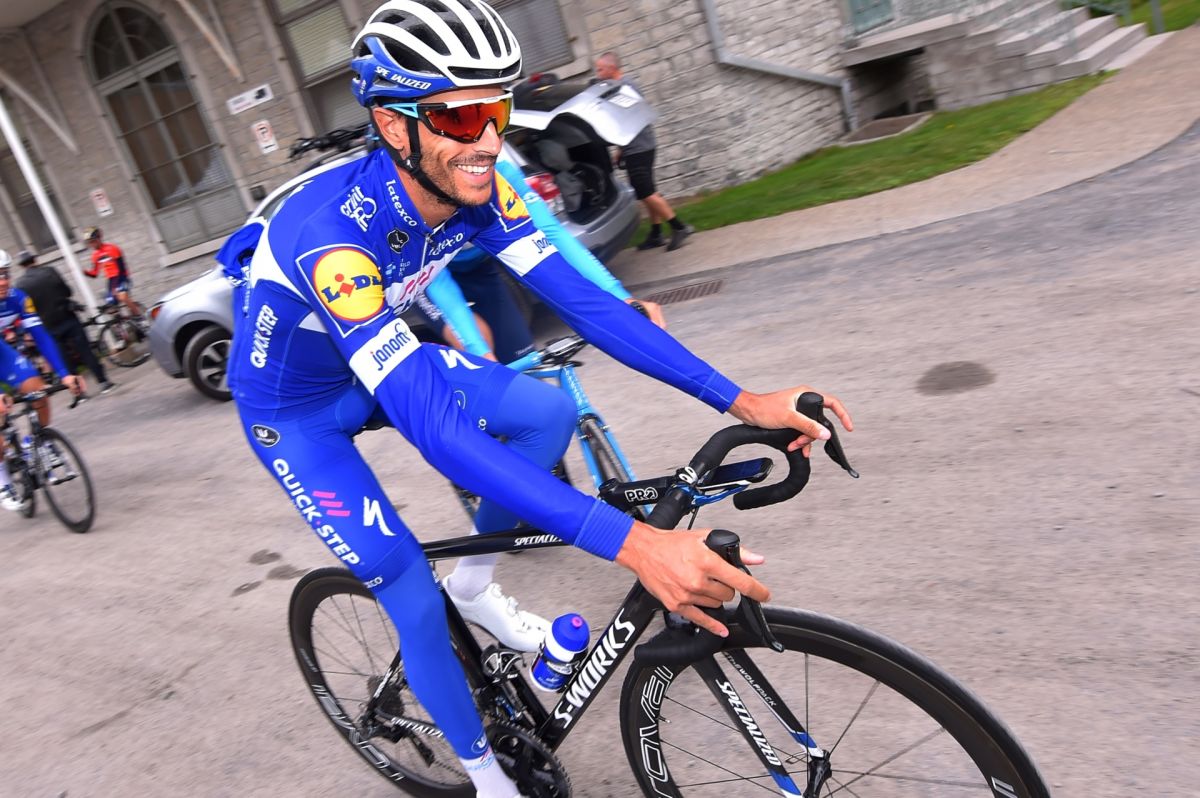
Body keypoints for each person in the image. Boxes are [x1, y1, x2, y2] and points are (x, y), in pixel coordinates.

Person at [226, 3, 850, 796]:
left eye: (497, 108)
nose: (488, 139)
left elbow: (586, 306)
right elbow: (441, 436)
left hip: (372, 364)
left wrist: (743, 400)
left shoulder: (479, 188)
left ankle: (475, 585)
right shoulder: (333, 240)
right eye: (459, 116)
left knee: (547, 413)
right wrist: (636, 546)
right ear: (392, 125)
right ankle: (488, 778)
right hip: (297, 416)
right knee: (408, 591)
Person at [413, 156, 667, 361]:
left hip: (478, 267)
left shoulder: (501, 172)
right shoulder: (418, 191)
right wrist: (477, 350)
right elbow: (439, 282)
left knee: (523, 357)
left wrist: (620, 297)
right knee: (478, 349)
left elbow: (552, 235)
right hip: (424, 277)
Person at [0, 249, 86, 510]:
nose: (3, 281)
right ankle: (3, 480)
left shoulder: (18, 298)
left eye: (5, 273)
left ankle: (34, 441)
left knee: (38, 390)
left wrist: (65, 374)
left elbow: (41, 336)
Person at [594, 51, 694, 252]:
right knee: (647, 190)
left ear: (612, 68)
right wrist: (621, 149)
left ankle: (679, 227)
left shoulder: (625, 88)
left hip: (639, 148)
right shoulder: (621, 87)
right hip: (638, 146)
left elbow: (631, 118)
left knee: (645, 191)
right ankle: (656, 234)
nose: (598, 74)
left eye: (600, 69)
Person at [15, 250, 116, 394]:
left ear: (22, 266)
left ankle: (79, 393)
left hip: (48, 325)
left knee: (64, 358)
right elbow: (68, 292)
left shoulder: (20, 284)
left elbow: (27, 309)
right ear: (34, 260)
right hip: (67, 317)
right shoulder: (49, 271)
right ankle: (103, 382)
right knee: (85, 350)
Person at [82, 227, 144, 319]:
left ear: (99, 238)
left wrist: (116, 288)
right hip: (111, 280)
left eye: (93, 241)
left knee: (122, 297)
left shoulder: (112, 248)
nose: (92, 244)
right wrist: (84, 272)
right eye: (89, 243)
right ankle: (122, 323)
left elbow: (121, 268)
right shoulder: (95, 255)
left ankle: (138, 317)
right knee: (111, 307)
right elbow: (94, 274)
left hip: (122, 277)